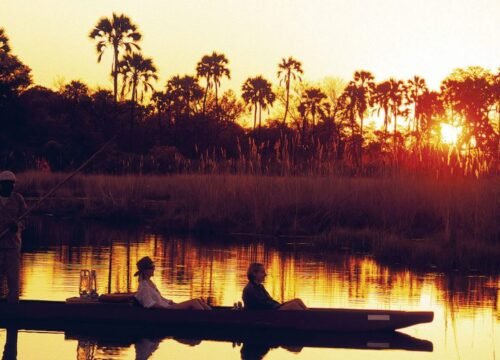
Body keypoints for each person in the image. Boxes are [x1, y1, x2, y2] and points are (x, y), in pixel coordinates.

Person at [134, 256, 211, 310]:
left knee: (197, 300)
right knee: (194, 302)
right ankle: (209, 319)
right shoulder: (144, 286)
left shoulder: (150, 283)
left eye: (153, 267)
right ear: (144, 271)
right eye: (151, 268)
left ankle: (213, 314)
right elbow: (149, 304)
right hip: (166, 310)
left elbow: (161, 299)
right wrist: (167, 307)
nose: (153, 269)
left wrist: (171, 302)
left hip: (168, 306)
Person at [0, 171, 27, 304]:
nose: (9, 187)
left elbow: (25, 219)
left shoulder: (18, 199)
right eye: (6, 184)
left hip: (12, 246)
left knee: (13, 280)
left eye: (12, 184)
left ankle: (13, 307)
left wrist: (18, 226)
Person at [242, 263, 307, 310]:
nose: (265, 274)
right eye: (262, 272)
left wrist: (279, 305)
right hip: (265, 314)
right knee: (293, 305)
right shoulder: (250, 289)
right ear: (254, 273)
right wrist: (278, 306)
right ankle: (307, 320)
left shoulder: (260, 286)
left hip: (273, 308)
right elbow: (262, 304)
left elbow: (268, 300)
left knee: (298, 300)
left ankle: (309, 316)